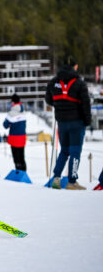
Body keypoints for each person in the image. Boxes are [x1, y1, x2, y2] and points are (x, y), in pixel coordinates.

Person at [45, 55, 91, 190]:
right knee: (75, 151)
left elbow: (48, 100)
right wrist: (87, 120)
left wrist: (60, 106)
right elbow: (86, 104)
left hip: (62, 122)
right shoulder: (79, 83)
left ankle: (56, 178)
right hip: (77, 122)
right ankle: (72, 181)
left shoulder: (53, 82)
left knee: (64, 151)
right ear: (75, 67)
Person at [2, 94, 27, 171]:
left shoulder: (11, 113)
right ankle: (24, 174)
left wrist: (10, 123)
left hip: (14, 138)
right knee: (22, 157)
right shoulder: (23, 111)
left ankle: (18, 174)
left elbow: (5, 125)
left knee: (16, 158)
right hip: (22, 137)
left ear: (13, 102)